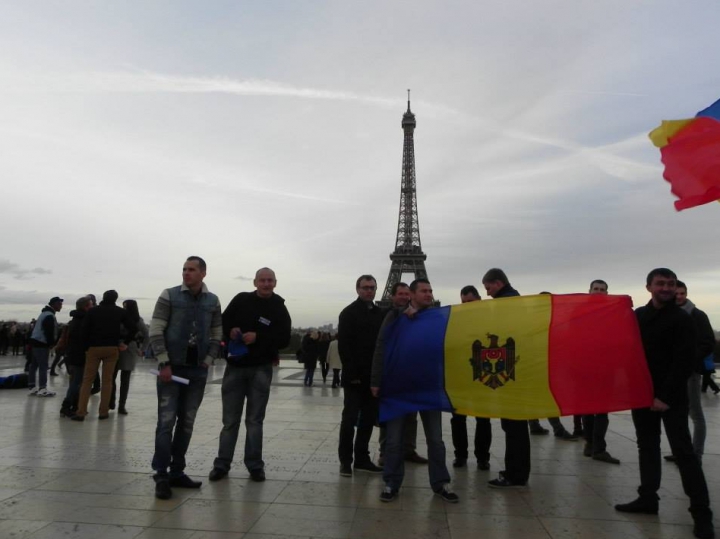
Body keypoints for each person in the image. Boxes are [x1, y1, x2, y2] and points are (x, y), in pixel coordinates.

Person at [615, 268, 713, 539]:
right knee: (647, 447)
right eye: (661, 283)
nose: (667, 288)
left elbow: (684, 362)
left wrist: (664, 397)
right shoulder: (638, 317)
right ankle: (648, 498)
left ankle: (702, 513)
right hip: (642, 394)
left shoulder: (683, 319)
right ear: (649, 287)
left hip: (671, 399)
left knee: (684, 453)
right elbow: (624, 347)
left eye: (670, 284)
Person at [371, 278, 458, 503]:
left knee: (436, 440)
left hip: (428, 385)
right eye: (424, 291)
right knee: (394, 440)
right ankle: (391, 483)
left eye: (431, 290)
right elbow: (381, 347)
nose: (429, 294)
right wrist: (376, 380)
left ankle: (440, 483)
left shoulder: (438, 317)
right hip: (399, 386)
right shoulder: (396, 316)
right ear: (411, 294)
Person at [149, 256, 223, 500]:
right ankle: (161, 474)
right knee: (166, 421)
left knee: (187, 422)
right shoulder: (169, 295)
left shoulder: (212, 301)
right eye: (184, 269)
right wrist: (164, 361)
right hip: (172, 367)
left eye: (191, 269)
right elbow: (156, 329)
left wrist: (208, 361)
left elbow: (216, 333)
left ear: (203, 273)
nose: (186, 273)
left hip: (196, 369)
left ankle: (177, 471)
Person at [209, 267, 291, 483]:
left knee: (254, 421)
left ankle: (254, 465)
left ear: (275, 283)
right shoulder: (241, 300)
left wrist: (259, 337)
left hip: (260, 368)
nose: (266, 284)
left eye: (270, 280)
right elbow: (223, 323)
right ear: (255, 282)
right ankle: (222, 463)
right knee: (230, 421)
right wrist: (232, 330)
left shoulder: (279, 307)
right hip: (236, 366)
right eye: (262, 280)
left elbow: (284, 339)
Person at [482, 269, 530, 489]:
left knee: (513, 427)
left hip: (510, 374)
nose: (488, 293)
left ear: (498, 283)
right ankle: (518, 471)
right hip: (514, 372)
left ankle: (515, 473)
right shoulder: (514, 300)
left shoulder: (505, 303)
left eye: (489, 287)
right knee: (516, 426)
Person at [337, 274, 385, 477]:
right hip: (355, 377)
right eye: (365, 287)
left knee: (367, 420)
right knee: (349, 420)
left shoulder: (380, 313)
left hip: (372, 377)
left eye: (372, 287)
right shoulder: (348, 313)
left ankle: (362, 458)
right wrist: (353, 374)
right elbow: (344, 347)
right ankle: (346, 461)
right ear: (357, 289)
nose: (369, 291)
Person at [664, 280, 716, 464]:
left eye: (682, 293)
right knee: (679, 413)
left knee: (695, 413)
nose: (679, 297)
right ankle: (682, 451)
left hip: (690, 372)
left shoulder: (697, 315)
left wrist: (689, 361)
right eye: (676, 293)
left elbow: (708, 342)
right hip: (672, 373)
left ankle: (696, 454)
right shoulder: (668, 314)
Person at [377, 282, 428, 466]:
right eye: (400, 294)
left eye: (407, 294)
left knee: (411, 416)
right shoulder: (387, 314)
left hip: (410, 374)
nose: (404, 297)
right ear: (392, 296)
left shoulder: (416, 315)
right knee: (389, 415)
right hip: (392, 374)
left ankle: (408, 449)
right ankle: (385, 451)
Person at [72, 290, 136, 421]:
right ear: (116, 299)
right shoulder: (120, 312)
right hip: (111, 348)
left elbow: (84, 330)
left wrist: (86, 347)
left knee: (87, 381)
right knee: (107, 381)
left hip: (94, 348)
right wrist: (125, 342)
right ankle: (103, 411)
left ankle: (81, 411)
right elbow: (133, 328)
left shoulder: (92, 311)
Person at [451, 285, 493, 470]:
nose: (467, 305)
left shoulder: (488, 321)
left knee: (482, 418)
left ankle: (481, 457)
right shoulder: (458, 320)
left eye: (470, 301)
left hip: (481, 375)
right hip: (461, 375)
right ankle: (462, 455)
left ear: (479, 300)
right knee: (459, 419)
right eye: (464, 302)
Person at [581, 280, 621, 464]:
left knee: (602, 409)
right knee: (588, 408)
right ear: (589, 291)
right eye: (595, 289)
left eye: (602, 290)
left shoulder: (613, 313)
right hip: (586, 366)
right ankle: (591, 444)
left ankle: (598, 447)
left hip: (606, 367)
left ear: (607, 292)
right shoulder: (580, 312)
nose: (598, 292)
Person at [110, 299, 149, 415]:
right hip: (118, 346)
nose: (124, 308)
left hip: (129, 348)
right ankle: (111, 401)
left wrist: (143, 350)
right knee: (112, 376)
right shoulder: (122, 317)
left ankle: (121, 405)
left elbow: (147, 335)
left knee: (125, 379)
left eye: (126, 306)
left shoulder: (137, 320)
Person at [60, 296, 93, 417]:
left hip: (72, 354)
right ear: (86, 307)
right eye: (91, 305)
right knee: (77, 382)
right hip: (79, 354)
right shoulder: (84, 320)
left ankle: (74, 405)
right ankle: (66, 405)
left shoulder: (75, 319)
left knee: (75, 381)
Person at [28, 297, 63, 397]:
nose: (61, 306)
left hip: (35, 342)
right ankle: (42, 388)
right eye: (59, 304)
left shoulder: (44, 314)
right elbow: (49, 331)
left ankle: (32, 387)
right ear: (54, 304)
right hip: (41, 343)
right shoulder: (49, 315)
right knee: (43, 366)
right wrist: (51, 343)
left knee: (33, 365)